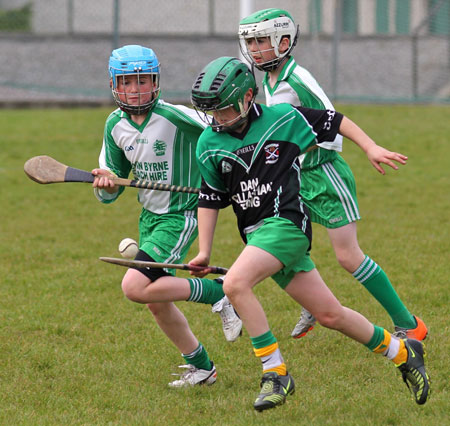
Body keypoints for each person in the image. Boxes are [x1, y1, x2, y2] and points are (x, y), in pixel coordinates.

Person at [189, 56, 430, 410]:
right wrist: (204, 252)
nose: (218, 119)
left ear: (248, 97)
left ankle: (275, 374)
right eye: (212, 112)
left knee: (235, 284)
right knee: (331, 315)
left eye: (224, 110)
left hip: (287, 224)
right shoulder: (208, 142)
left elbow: (335, 122)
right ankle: (402, 353)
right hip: (258, 237)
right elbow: (210, 199)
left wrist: (370, 147)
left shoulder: (284, 119)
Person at [238, 8, 427, 340]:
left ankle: (409, 324)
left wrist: (369, 147)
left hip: (324, 174)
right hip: (296, 177)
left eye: (260, 42)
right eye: (250, 43)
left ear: (283, 42)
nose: (254, 50)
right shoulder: (270, 78)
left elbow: (332, 120)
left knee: (348, 256)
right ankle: (312, 301)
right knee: (289, 241)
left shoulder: (296, 80)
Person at [91, 45, 242, 387]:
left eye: (143, 80)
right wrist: (106, 183)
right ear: (115, 84)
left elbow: (225, 128)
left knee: (134, 287)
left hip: (181, 215)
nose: (136, 89)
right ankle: (202, 369)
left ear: (155, 81)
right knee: (156, 300)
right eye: (127, 82)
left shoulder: (178, 116)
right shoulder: (114, 125)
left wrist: (227, 176)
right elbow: (109, 188)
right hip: (150, 218)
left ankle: (216, 293)